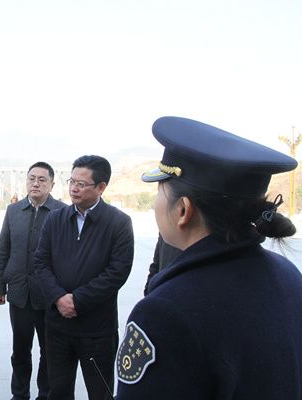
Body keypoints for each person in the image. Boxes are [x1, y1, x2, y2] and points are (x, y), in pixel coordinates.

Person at [116, 116, 302, 399]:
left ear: (183, 210)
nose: (156, 203)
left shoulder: (165, 312)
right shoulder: (287, 274)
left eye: (160, 191)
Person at [34, 155, 134, 400]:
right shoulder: (55, 219)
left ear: (101, 187)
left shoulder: (118, 223)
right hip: (58, 326)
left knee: (100, 392)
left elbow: (117, 272)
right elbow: (41, 263)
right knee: (58, 391)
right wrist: (59, 298)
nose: (74, 188)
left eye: (81, 184)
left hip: (96, 330)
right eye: (71, 182)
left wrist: (77, 301)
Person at [0, 161, 65, 400]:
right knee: (20, 350)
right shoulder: (13, 211)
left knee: (49, 351)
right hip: (19, 294)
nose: (36, 183)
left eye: (42, 179)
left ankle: (45, 394)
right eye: (31, 178)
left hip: (48, 296)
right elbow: (3, 249)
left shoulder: (62, 212)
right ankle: (19, 394)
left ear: (52, 184)